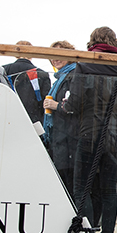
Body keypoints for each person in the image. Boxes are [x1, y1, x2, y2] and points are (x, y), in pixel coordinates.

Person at [63, 27, 117, 233]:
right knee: (109, 191)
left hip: (90, 133)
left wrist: (65, 105)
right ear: (115, 42)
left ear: (92, 41)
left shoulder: (85, 62)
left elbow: (74, 103)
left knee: (82, 189)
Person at [42, 40, 78, 193]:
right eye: (52, 56)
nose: (55, 59)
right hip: (61, 140)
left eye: (60, 55)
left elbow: (75, 105)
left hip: (70, 141)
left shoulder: (74, 75)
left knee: (69, 187)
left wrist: (55, 106)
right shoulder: (60, 79)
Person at [7, 40, 53, 124]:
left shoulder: (4, 70)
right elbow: (46, 101)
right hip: (34, 121)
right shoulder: (41, 74)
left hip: (8, 118)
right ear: (32, 53)